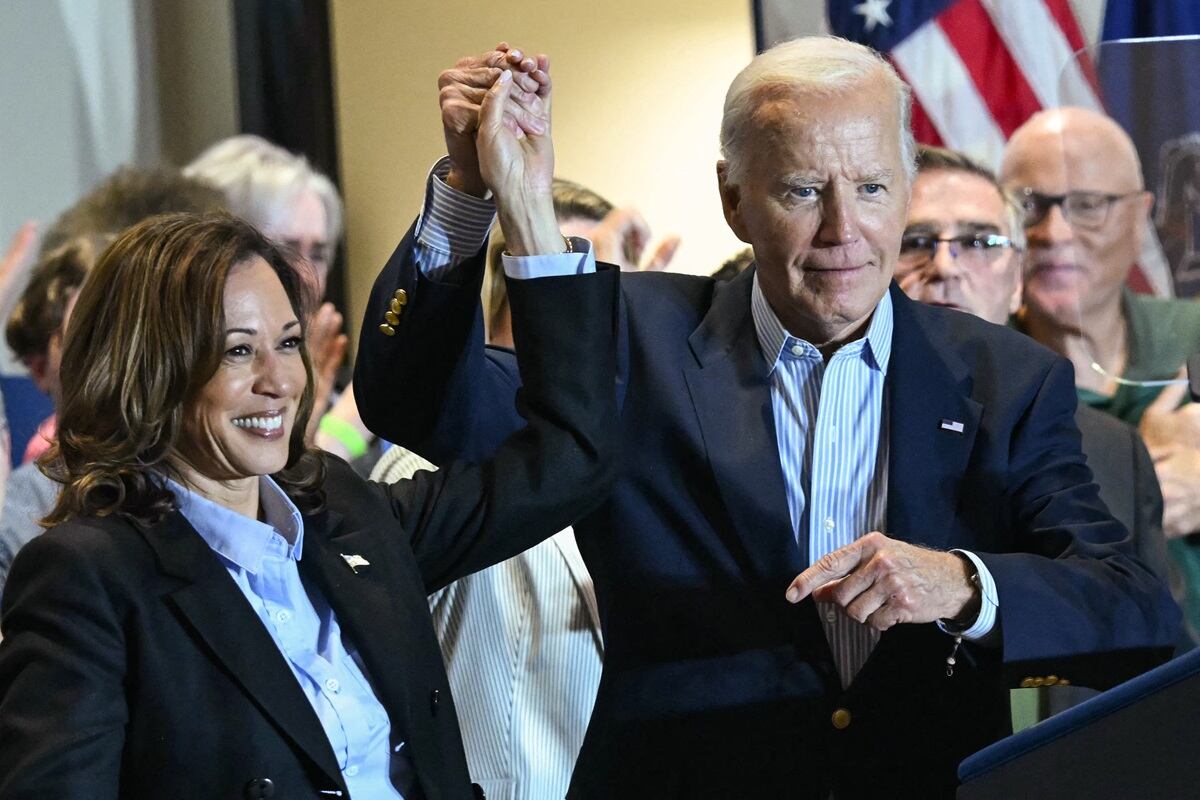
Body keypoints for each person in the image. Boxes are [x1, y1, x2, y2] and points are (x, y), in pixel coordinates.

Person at [354, 39, 1178, 797]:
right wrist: (469, 195)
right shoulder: (631, 336)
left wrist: (963, 584)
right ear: (732, 199)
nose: (842, 231)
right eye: (801, 190)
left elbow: (1134, 614)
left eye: (871, 188)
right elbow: (428, 408)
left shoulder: (1008, 378)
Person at [0, 82, 617, 800]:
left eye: (288, 343)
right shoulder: (88, 576)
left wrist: (519, 204)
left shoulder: (345, 512)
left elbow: (570, 463)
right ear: (152, 371)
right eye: (237, 351)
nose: (279, 380)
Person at [896, 145, 1184, 719]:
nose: (947, 266)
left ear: (1017, 284)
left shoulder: (1107, 448)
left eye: (979, 242)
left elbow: (1161, 665)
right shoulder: (823, 424)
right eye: (917, 242)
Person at [1001, 108, 1200, 639]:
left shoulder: (1192, 337)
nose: (1053, 232)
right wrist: (1144, 482)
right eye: (1028, 206)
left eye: (1088, 206)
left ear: (1140, 217)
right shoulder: (983, 371)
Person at [185, 135, 350, 446]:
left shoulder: (350, 398)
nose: (306, 276)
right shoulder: (179, 387)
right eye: (284, 252)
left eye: (318, 254)